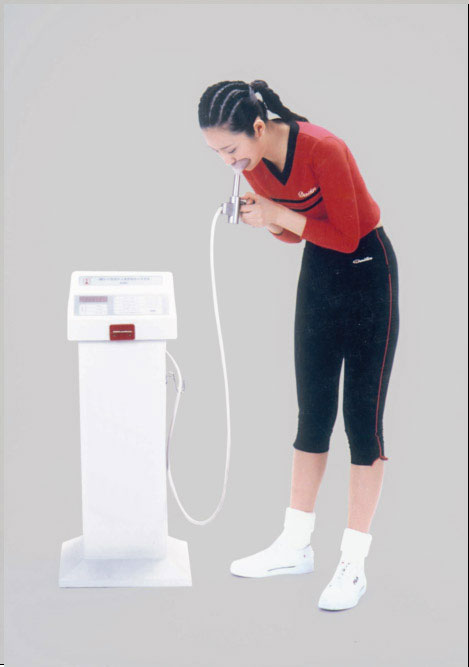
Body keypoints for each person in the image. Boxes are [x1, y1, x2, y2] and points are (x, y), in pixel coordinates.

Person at [198, 79, 399, 611]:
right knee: (312, 415)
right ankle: (295, 545)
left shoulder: (324, 149)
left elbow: (348, 235)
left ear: (257, 127)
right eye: (218, 154)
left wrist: (279, 215)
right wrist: (267, 221)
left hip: (367, 272)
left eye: (230, 149)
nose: (228, 162)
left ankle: (353, 563)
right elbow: (296, 235)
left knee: (362, 422)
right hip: (320, 274)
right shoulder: (253, 164)